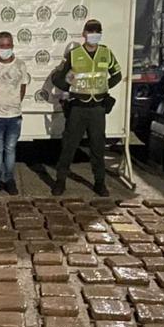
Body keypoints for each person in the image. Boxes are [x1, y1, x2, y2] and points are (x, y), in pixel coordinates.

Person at [51, 19, 121, 196]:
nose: (93, 35)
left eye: (97, 31)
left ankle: (100, 183)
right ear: (84, 33)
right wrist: (71, 86)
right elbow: (58, 78)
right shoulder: (75, 54)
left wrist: (104, 86)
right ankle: (60, 182)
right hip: (78, 108)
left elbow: (117, 75)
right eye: (90, 31)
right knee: (69, 146)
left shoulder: (106, 53)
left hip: (97, 108)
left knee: (98, 148)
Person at [0, 31, 30, 195]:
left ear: (13, 46)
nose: (5, 48)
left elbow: (23, 88)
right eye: (2, 46)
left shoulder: (20, 65)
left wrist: (13, 104)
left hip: (14, 116)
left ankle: (9, 180)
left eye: (8, 45)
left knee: (10, 149)